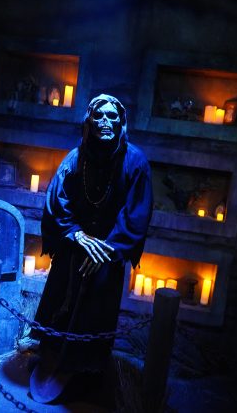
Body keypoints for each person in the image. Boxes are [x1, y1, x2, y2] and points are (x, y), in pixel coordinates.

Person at [30, 93, 153, 402]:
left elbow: (136, 213)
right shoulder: (76, 158)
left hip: (108, 253)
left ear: (121, 122)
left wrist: (108, 249)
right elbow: (57, 201)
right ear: (89, 122)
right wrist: (75, 234)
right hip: (75, 247)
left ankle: (86, 372)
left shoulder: (135, 162)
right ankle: (52, 357)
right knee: (61, 300)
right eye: (99, 116)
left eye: (112, 116)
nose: (105, 122)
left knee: (95, 311)